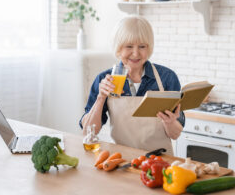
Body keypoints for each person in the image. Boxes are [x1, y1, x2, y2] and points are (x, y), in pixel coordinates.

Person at [79, 15, 185, 155]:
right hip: (121, 161)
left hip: (159, 162)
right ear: (118, 48)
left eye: (142, 46)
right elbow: (87, 131)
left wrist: (170, 123)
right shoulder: (104, 80)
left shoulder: (167, 78)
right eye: (129, 46)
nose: (135, 53)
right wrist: (101, 97)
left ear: (149, 48)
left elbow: (175, 134)